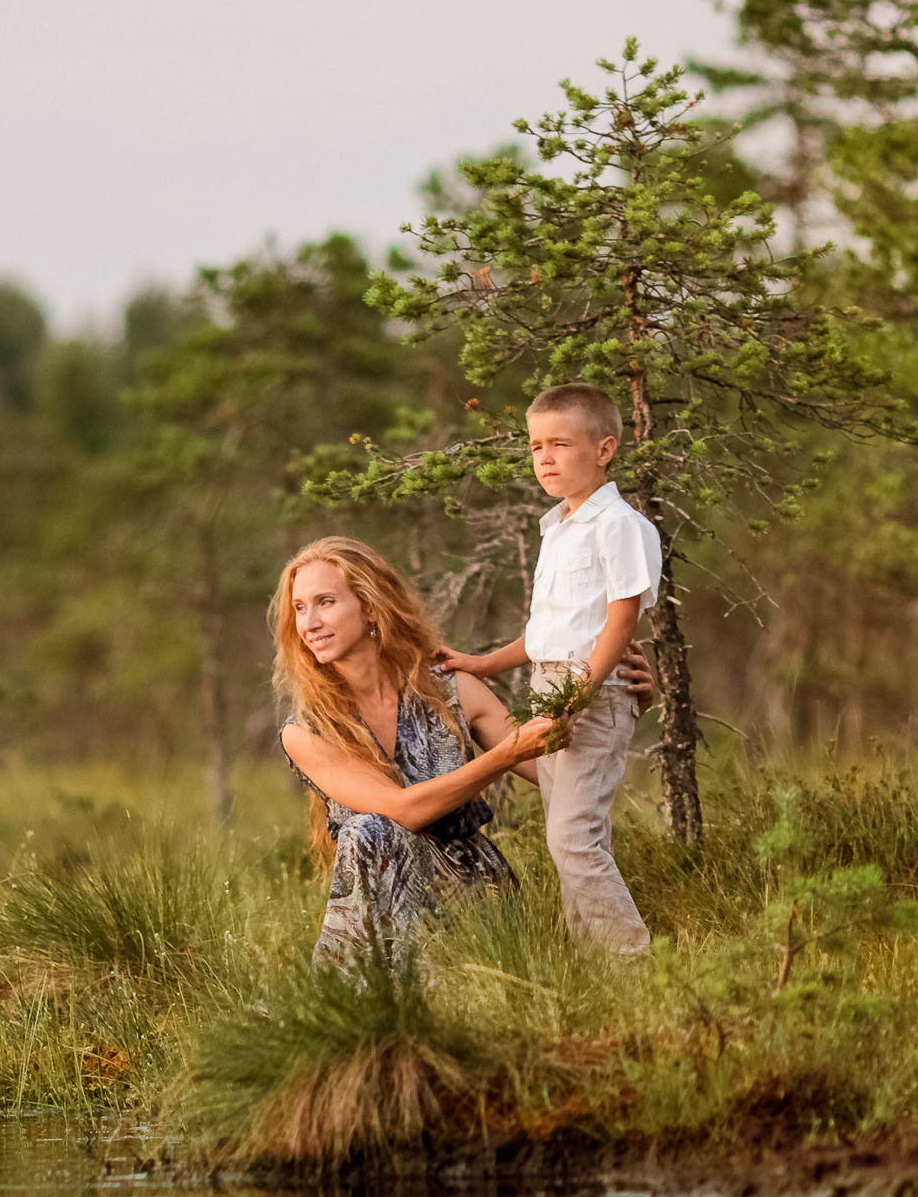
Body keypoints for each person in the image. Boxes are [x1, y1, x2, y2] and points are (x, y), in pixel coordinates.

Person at [272, 535, 652, 963]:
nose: (309, 622)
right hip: (385, 900)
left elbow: (558, 772)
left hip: (473, 893)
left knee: (371, 833)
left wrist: (615, 707)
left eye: (325, 601)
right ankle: (377, 1005)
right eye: (300, 608)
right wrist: (503, 756)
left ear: (371, 606)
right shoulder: (305, 731)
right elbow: (401, 811)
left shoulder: (449, 687)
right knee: (369, 831)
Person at [434, 383, 661, 956]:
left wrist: (585, 687)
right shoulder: (557, 527)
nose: (545, 459)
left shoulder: (619, 525)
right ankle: (592, 960)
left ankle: (631, 961)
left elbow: (621, 617)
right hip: (550, 685)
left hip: (592, 690)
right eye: (536, 447)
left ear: (604, 449)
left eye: (560, 444)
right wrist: (481, 662)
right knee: (570, 835)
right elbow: (547, 633)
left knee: (572, 837)